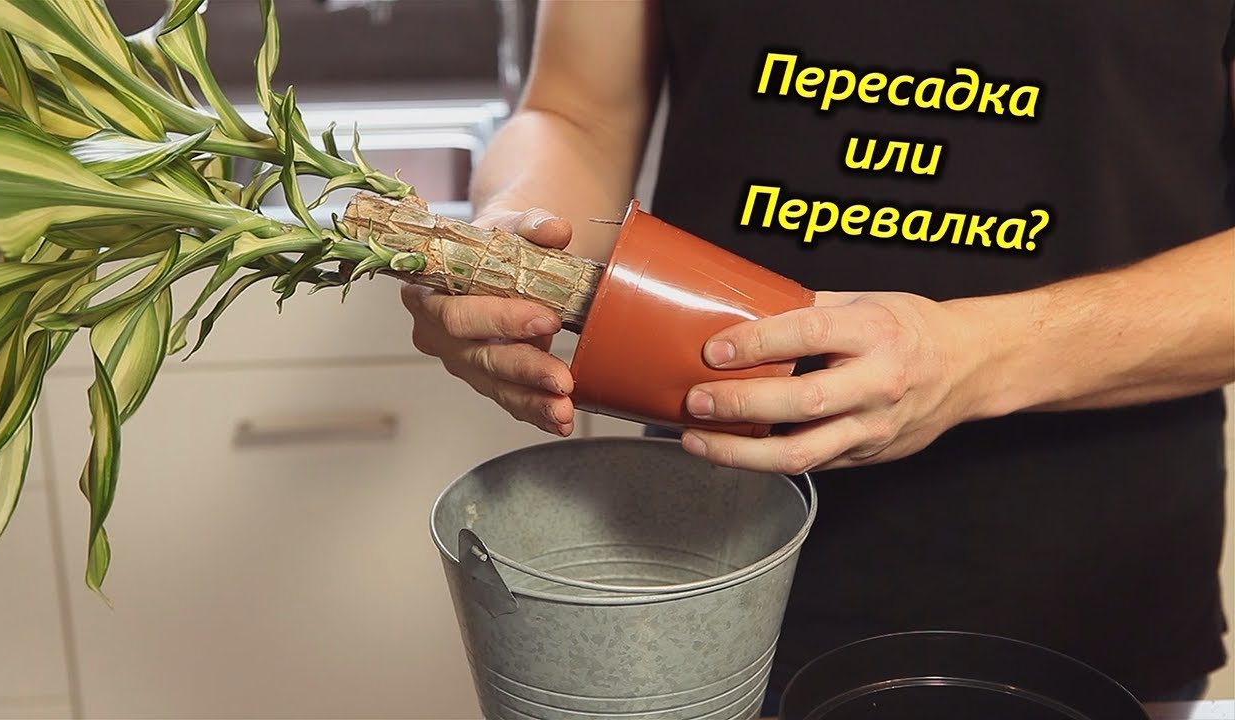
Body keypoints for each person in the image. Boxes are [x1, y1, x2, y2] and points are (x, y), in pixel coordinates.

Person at [400, 0, 1235, 710]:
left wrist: (974, 357)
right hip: (717, 560)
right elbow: (576, 111)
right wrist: (517, 246)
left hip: (1092, 581)